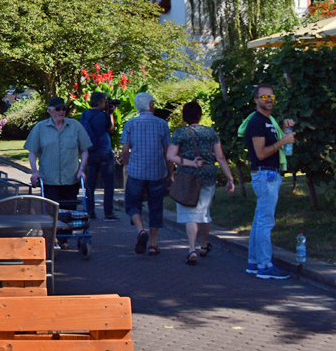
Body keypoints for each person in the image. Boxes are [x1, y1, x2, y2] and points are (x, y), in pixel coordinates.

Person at [166, 101, 236, 265]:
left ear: (184, 116)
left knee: (190, 214)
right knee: (204, 213)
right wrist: (230, 178)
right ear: (200, 115)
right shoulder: (211, 132)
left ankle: (192, 250)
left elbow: (171, 156)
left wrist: (190, 162)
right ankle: (204, 246)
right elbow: (220, 157)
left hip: (187, 178)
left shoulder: (180, 133)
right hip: (208, 176)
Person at [243, 84, 295, 280]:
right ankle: (265, 265)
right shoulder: (257, 122)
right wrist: (283, 141)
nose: (269, 100)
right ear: (256, 100)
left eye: (272, 97)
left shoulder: (268, 121)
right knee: (266, 222)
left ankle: (254, 263)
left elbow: (274, 143)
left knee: (259, 221)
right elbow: (261, 153)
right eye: (264, 97)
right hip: (265, 175)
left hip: (268, 175)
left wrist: (285, 130)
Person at [121, 91, 172, 256]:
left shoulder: (130, 124)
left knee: (132, 204)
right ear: (151, 105)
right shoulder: (162, 124)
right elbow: (167, 152)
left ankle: (141, 230)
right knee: (155, 207)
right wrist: (170, 173)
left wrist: (127, 165)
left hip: (136, 171)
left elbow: (125, 150)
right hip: (157, 172)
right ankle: (153, 244)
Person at [25, 96, 92, 211]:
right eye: (58, 109)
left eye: (63, 109)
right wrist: (34, 172)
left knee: (70, 214)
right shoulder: (40, 128)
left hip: (71, 179)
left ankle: (67, 230)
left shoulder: (75, 126)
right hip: (49, 180)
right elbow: (32, 152)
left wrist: (82, 169)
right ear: (49, 110)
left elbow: (84, 150)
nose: (61, 112)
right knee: (51, 214)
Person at [79, 92, 118, 221]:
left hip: (90, 151)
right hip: (104, 152)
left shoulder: (85, 115)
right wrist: (111, 113)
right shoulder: (104, 116)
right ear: (99, 102)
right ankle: (108, 212)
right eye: (104, 101)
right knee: (108, 184)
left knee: (90, 184)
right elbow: (111, 129)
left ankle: (90, 210)